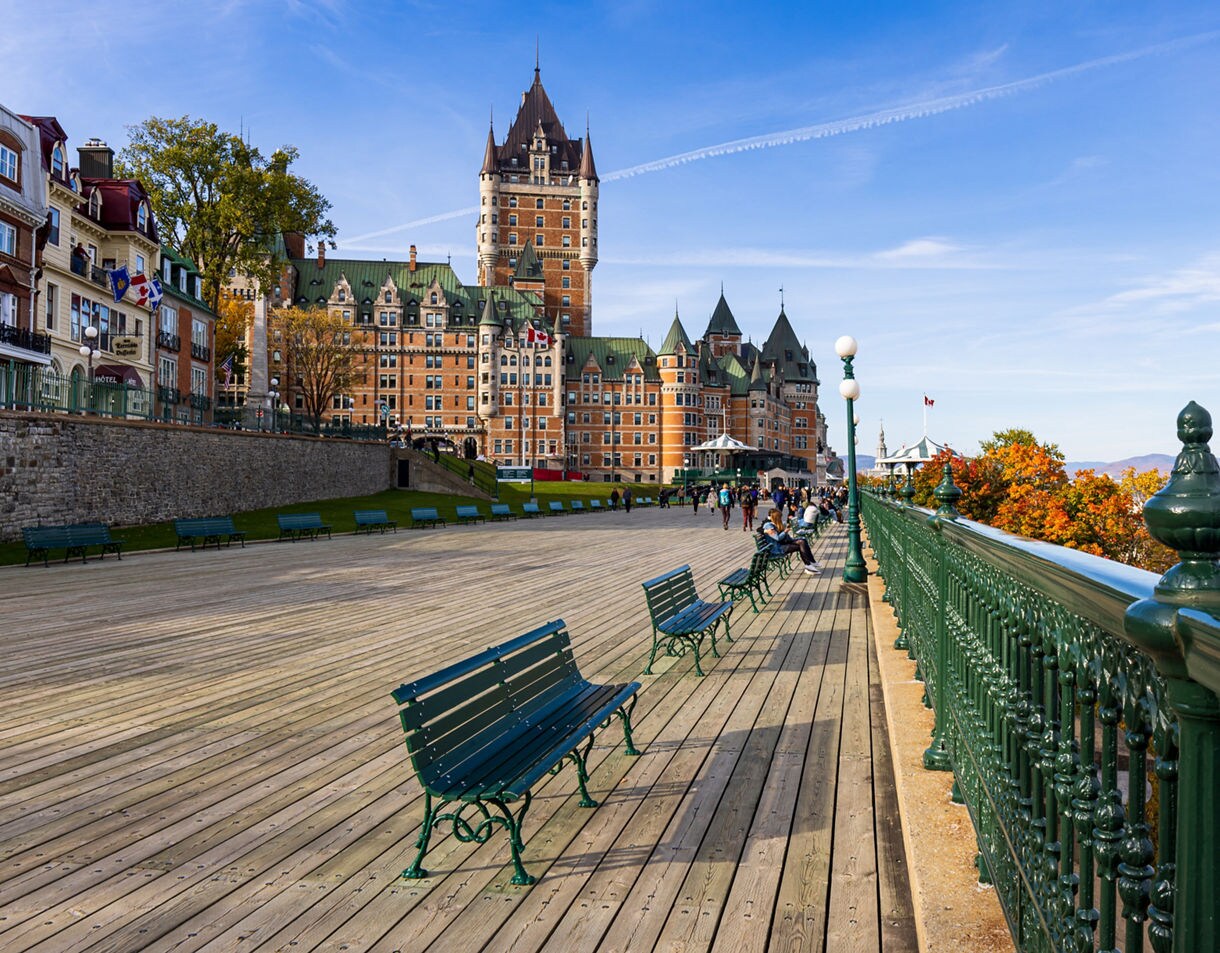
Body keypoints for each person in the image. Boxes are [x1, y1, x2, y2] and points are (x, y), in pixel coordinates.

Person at [759, 507, 821, 574]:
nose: (781, 519)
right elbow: (777, 538)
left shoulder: (774, 524)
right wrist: (785, 532)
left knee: (803, 540)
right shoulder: (768, 526)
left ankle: (811, 562)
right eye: (779, 517)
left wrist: (786, 532)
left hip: (782, 544)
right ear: (775, 518)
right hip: (777, 548)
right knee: (801, 544)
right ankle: (808, 565)